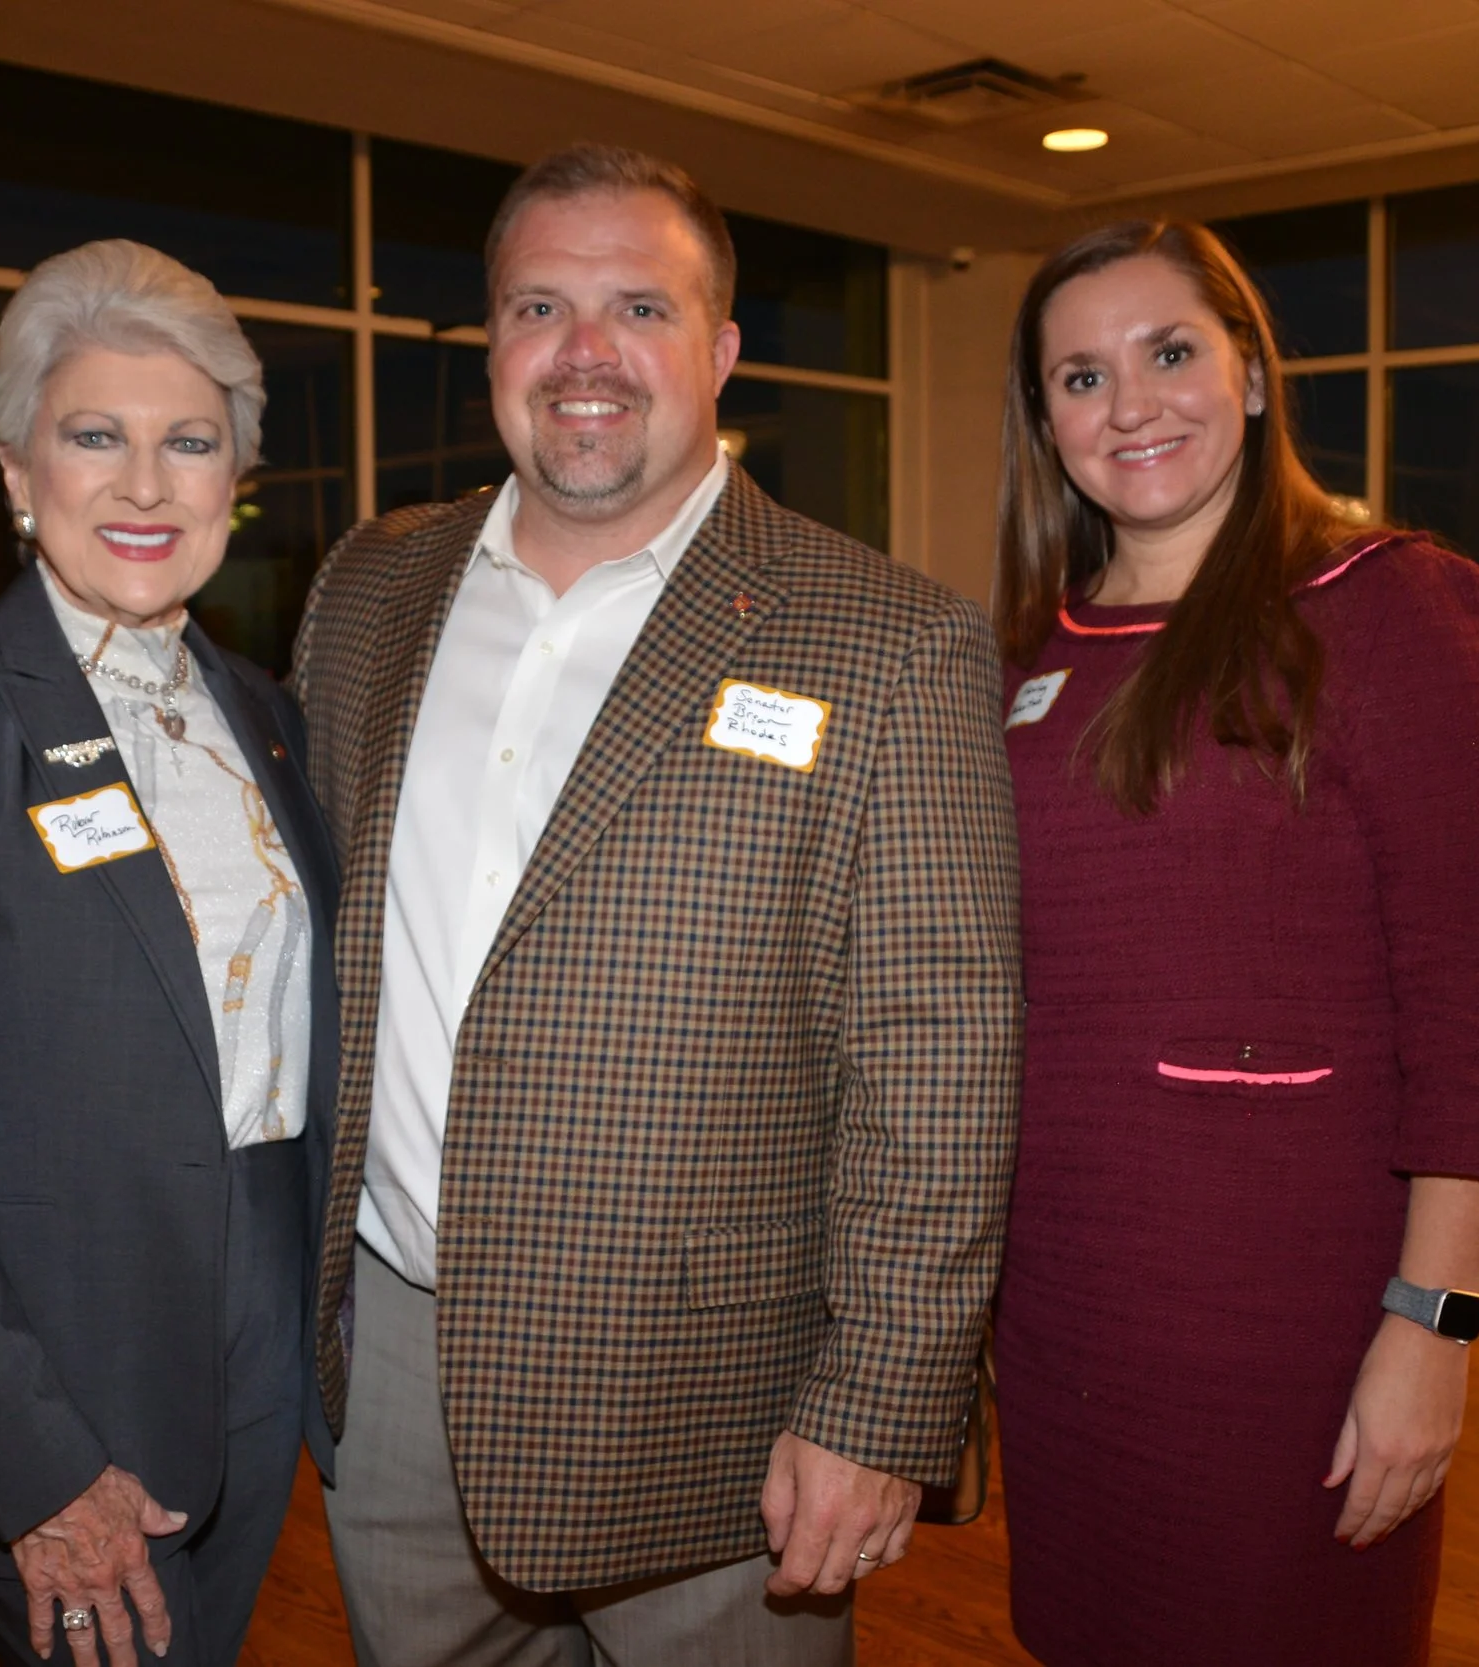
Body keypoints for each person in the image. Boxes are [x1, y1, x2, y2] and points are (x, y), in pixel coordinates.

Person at [294, 142, 1020, 1665]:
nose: (585, 354)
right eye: (538, 308)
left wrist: (880, 1402)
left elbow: (938, 1061)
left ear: (721, 348)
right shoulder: (368, 589)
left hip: (719, 1405)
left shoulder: (890, 643)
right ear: (492, 341)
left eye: (639, 308)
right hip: (400, 1368)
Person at [992, 220, 1479, 1665]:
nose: (1130, 404)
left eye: (1169, 351)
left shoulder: (1394, 608)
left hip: (1285, 1299)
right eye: (1080, 376)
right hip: (1064, 1292)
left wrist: (1433, 1321)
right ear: (1044, 420)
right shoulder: (1029, 652)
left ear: (1249, 373)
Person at [0, 241, 339, 1667]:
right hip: (48, 1367)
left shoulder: (267, 714)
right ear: (16, 471)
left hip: (258, 1326)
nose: (145, 485)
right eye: (96, 436)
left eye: (188, 442)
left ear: (234, 478)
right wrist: (35, 1467)